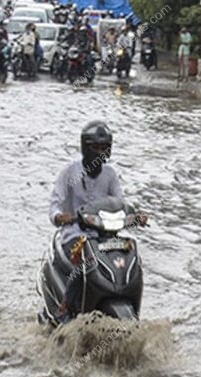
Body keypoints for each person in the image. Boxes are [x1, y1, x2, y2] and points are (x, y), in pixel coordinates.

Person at [48, 121, 145, 324]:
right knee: (84, 261)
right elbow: (55, 204)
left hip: (105, 235)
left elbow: (120, 202)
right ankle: (65, 306)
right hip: (75, 235)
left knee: (132, 257)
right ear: (86, 147)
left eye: (104, 148)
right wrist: (60, 216)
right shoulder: (69, 173)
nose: (100, 152)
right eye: (96, 147)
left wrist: (134, 216)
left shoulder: (110, 175)